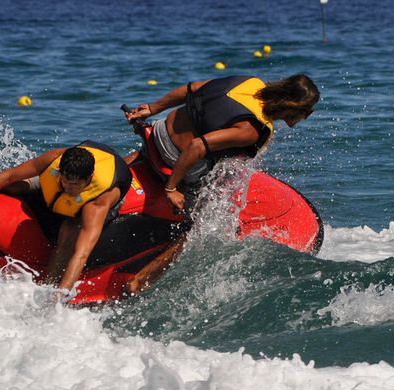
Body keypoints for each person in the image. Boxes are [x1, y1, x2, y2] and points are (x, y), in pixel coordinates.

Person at [122, 74, 319, 293]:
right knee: (201, 226)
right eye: (307, 112)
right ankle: (140, 280)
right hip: (176, 157)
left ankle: (124, 169)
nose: (307, 117)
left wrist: (152, 108)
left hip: (158, 132)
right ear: (293, 107)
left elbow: (191, 88)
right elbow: (197, 146)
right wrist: (171, 188)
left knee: (159, 148)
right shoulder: (251, 130)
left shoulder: (250, 83)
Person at [0, 141, 133, 295]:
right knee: (11, 186)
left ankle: (49, 285)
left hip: (95, 200)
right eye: (64, 182)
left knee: (68, 232)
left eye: (74, 185)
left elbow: (81, 253)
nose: (68, 189)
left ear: (88, 180)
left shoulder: (98, 202)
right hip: (79, 166)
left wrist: (60, 295)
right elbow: (9, 175)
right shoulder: (55, 159)